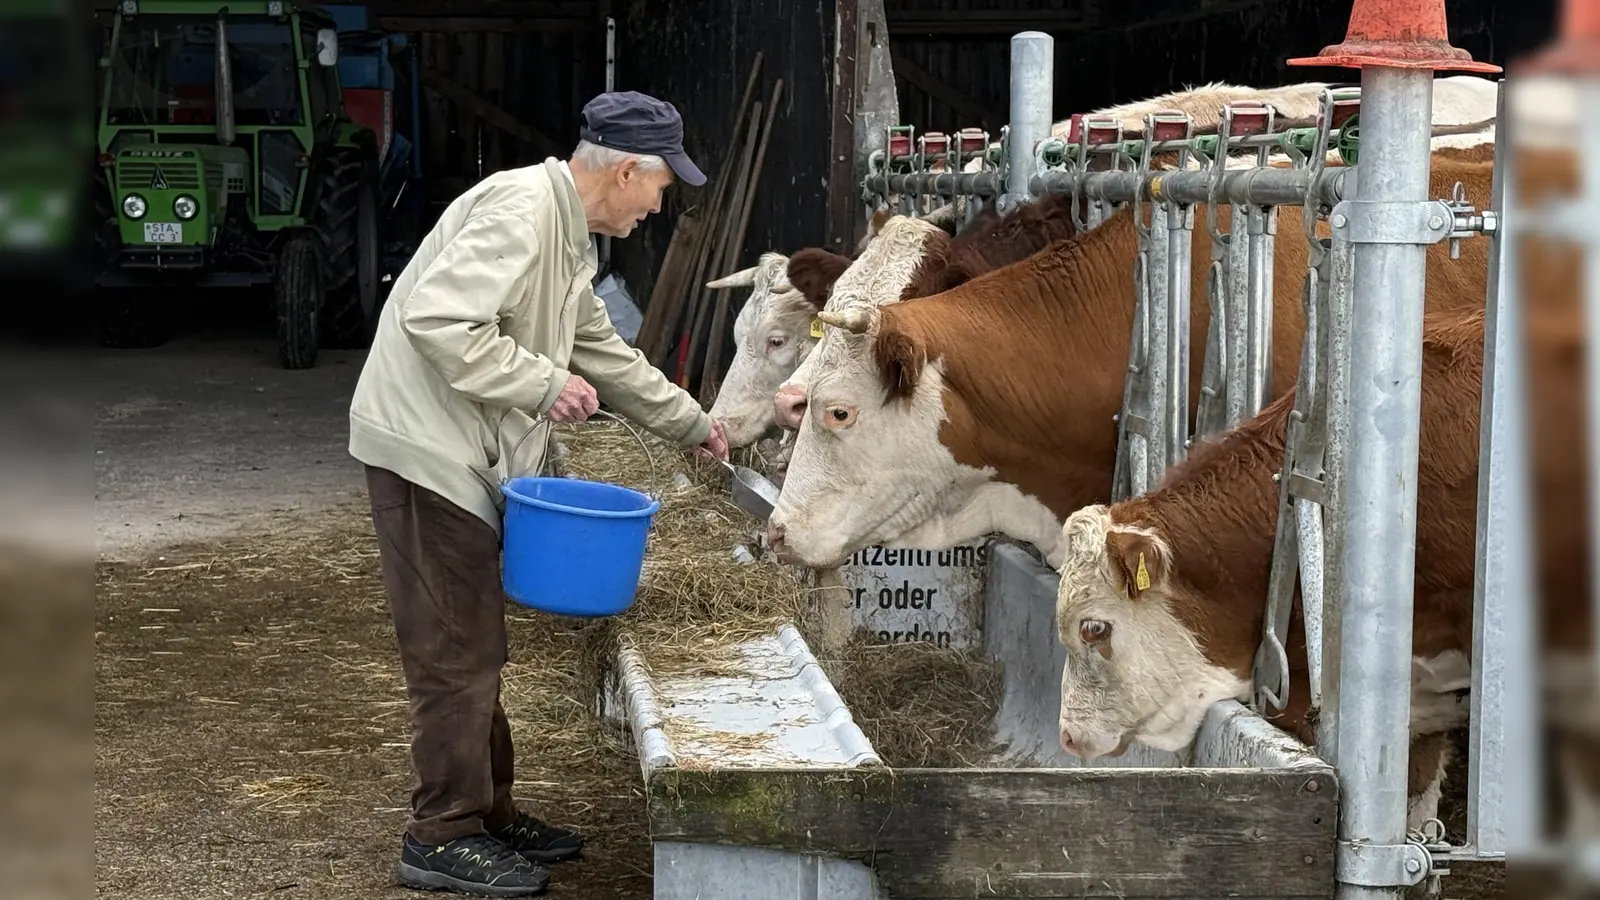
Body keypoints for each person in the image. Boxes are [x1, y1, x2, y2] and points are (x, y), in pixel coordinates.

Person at [347, 90, 729, 898]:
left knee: (476, 639)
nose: (661, 205)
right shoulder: (520, 211)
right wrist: (540, 382)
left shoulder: (568, 241)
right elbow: (438, 321)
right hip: (427, 450)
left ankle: (486, 811)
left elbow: (607, 355)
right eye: (661, 185)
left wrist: (693, 425)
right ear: (626, 169)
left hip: (470, 454)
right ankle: (441, 833)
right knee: (455, 647)